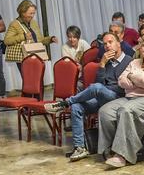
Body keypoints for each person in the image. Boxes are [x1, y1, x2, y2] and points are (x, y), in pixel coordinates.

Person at [47, 32, 133, 162]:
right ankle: (80, 147)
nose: (107, 46)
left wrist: (103, 89)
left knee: (96, 87)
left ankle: (65, 103)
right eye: (105, 44)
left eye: (110, 42)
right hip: (103, 96)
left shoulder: (129, 61)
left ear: (119, 43)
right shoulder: (107, 62)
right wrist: (102, 64)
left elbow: (123, 87)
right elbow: (101, 81)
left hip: (119, 97)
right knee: (77, 107)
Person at [97, 35, 144, 169]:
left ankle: (123, 155)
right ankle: (109, 149)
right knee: (105, 111)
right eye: (143, 45)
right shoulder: (134, 62)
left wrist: (132, 77)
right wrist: (139, 81)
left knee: (126, 110)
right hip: (131, 98)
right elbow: (121, 80)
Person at [3, 0, 56, 75]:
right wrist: (23, 36)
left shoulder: (33, 23)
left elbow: (40, 40)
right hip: (24, 57)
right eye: (30, 13)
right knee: (28, 80)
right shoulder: (14, 24)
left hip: (36, 56)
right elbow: (7, 41)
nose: (32, 15)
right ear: (23, 12)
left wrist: (50, 39)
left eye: (33, 13)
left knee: (38, 80)